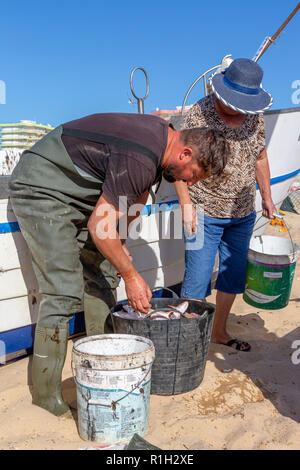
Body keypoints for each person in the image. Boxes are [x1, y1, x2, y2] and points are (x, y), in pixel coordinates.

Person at [9, 112, 229, 416]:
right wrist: (132, 276)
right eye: (192, 175)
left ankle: (102, 361)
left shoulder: (161, 145)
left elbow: (133, 198)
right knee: (62, 292)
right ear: (186, 153)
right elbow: (102, 225)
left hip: (80, 195)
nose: (187, 182)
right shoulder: (143, 154)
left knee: (105, 273)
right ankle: (46, 397)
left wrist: (121, 241)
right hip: (43, 190)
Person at [174, 58, 276, 352]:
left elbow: (260, 157)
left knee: (232, 277)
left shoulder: (255, 118)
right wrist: (186, 205)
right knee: (198, 278)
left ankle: (218, 331)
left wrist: (267, 196)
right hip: (204, 211)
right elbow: (178, 165)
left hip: (243, 213)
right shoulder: (199, 114)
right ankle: (190, 339)